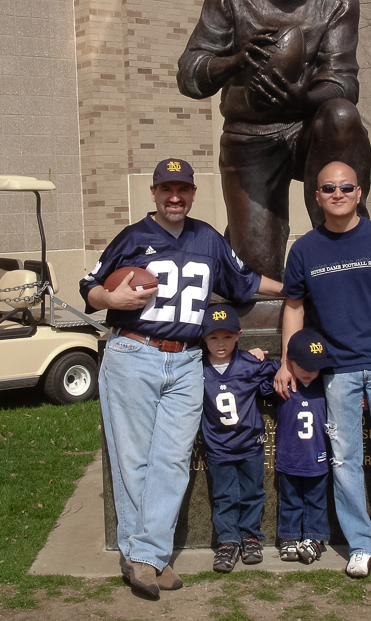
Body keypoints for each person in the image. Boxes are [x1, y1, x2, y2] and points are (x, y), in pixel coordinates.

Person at [79, 158, 282, 598]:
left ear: (192, 194)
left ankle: (144, 557)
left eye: (183, 190)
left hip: (188, 360)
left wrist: (297, 287)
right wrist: (109, 296)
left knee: (172, 461)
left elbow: (245, 281)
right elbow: (89, 286)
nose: (175, 197)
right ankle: (148, 559)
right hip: (134, 352)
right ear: (153, 192)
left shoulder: (207, 237)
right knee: (133, 461)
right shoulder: (132, 237)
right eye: (166, 189)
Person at [177, 0, 371, 281]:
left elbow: (342, 82)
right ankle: (246, 237)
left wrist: (305, 97)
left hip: (307, 133)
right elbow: (189, 73)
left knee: (341, 115)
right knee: (260, 273)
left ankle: (343, 246)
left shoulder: (337, 0)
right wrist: (234, 62)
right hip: (250, 137)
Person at [275, 161, 371, 581]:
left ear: (359, 193)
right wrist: (288, 361)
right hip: (336, 370)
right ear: (317, 197)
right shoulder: (304, 249)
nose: (337, 193)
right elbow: (295, 307)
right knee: (344, 459)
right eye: (328, 188)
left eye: (345, 187)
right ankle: (360, 543)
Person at [200, 304, 279, 573]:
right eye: (213, 337)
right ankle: (227, 541)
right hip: (218, 447)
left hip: (250, 445)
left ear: (238, 335)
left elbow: (277, 373)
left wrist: (259, 357)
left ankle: (250, 536)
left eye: (227, 337)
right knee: (224, 496)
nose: (220, 344)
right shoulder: (196, 368)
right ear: (203, 337)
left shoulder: (249, 364)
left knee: (253, 493)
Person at [276, 327, 331, 564]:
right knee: (289, 499)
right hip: (290, 457)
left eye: (314, 367)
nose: (309, 372)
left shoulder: (327, 387)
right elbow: (253, 374)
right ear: (289, 363)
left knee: (316, 500)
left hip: (317, 457)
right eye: (303, 366)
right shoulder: (283, 385)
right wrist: (256, 353)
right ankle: (289, 537)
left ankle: (314, 537)